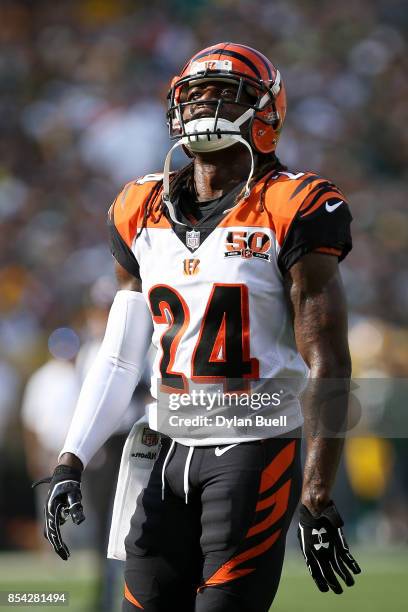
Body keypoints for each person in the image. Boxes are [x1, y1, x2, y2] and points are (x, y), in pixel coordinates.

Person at [34, 43, 361, 611]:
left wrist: (317, 493)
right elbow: (119, 355)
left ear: (265, 113)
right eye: (193, 94)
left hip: (252, 447)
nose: (202, 105)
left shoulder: (291, 203)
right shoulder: (139, 207)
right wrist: (70, 459)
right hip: (162, 448)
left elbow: (328, 361)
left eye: (222, 93)